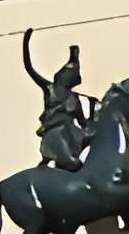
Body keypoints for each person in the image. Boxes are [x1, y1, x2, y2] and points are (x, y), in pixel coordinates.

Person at [24, 33, 90, 171]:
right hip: (55, 133)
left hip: (71, 134)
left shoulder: (74, 99)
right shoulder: (50, 88)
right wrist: (26, 42)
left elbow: (83, 122)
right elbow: (30, 69)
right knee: (72, 163)